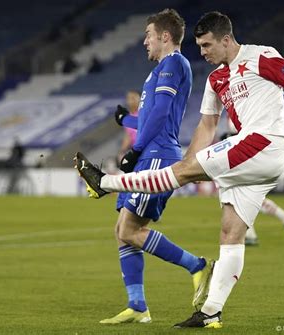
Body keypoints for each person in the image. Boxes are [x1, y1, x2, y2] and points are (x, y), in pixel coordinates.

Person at [75, 11, 284, 328]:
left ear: (226, 39)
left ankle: (104, 182)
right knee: (231, 233)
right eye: (199, 46)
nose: (202, 52)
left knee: (178, 181)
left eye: (206, 45)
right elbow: (206, 126)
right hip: (252, 163)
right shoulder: (216, 79)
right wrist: (186, 164)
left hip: (263, 143)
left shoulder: (262, 55)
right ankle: (211, 313)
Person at [93, 9, 214, 325]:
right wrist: (127, 120)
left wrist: (134, 149)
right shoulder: (159, 69)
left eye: (148, 34)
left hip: (157, 155)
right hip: (150, 153)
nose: (144, 41)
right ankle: (137, 306)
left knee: (131, 230)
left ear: (164, 36)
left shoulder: (174, 63)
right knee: (122, 231)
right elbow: (151, 117)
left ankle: (197, 265)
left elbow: (161, 115)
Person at [220, 122, 284, 246]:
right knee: (243, 197)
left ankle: (283, 219)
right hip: (242, 152)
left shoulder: (243, 110)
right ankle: (254, 233)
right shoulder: (233, 108)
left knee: (243, 196)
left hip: (246, 154)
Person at [117, 90, 140, 162]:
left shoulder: (145, 113)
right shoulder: (127, 118)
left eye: (133, 98)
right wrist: (121, 151)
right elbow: (128, 136)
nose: (131, 101)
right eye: (129, 98)